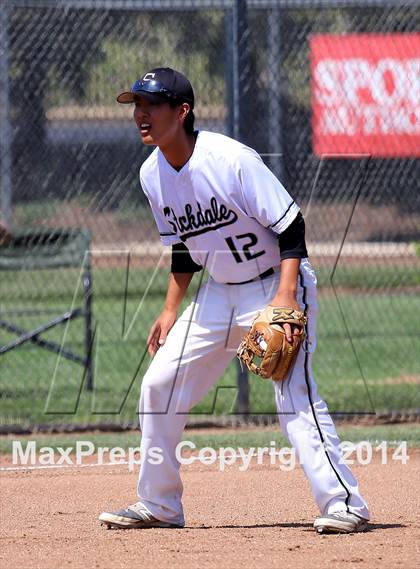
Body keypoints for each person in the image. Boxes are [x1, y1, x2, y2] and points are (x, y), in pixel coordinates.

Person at [99, 67, 369, 534]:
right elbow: (184, 244)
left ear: (181, 112)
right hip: (218, 293)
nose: (140, 114)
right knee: (158, 385)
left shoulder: (229, 159)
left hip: (275, 283)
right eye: (136, 106)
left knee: (292, 394)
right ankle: (160, 504)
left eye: (152, 105)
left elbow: (291, 226)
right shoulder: (151, 175)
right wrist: (169, 307)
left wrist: (285, 299)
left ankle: (346, 504)